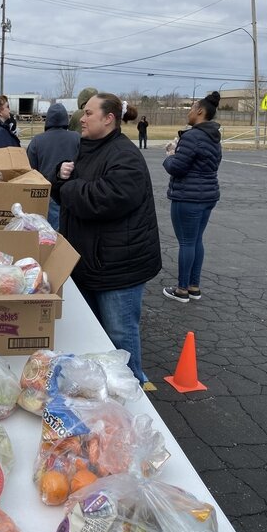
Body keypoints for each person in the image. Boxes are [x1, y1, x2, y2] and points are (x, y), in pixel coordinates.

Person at [52, 93, 161, 384]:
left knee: (120, 337)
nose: (82, 118)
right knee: (94, 335)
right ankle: (104, 393)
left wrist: (68, 187)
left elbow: (103, 199)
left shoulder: (124, 155)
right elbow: (70, 194)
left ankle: (133, 390)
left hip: (118, 268)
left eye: (88, 113)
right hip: (92, 262)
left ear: (108, 118)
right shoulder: (89, 148)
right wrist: (60, 178)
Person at [162, 91, 222, 303]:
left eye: (190, 108)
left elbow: (177, 168)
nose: (188, 113)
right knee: (196, 241)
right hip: (208, 195)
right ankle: (194, 286)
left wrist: (170, 156)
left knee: (187, 242)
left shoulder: (193, 136)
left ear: (200, 111)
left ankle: (181, 290)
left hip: (188, 197)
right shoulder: (213, 136)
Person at [27, 103, 80, 229]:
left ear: (48, 120)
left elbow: (30, 171)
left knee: (50, 234)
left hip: (48, 195)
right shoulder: (77, 138)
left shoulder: (37, 141)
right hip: (73, 192)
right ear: (66, 119)